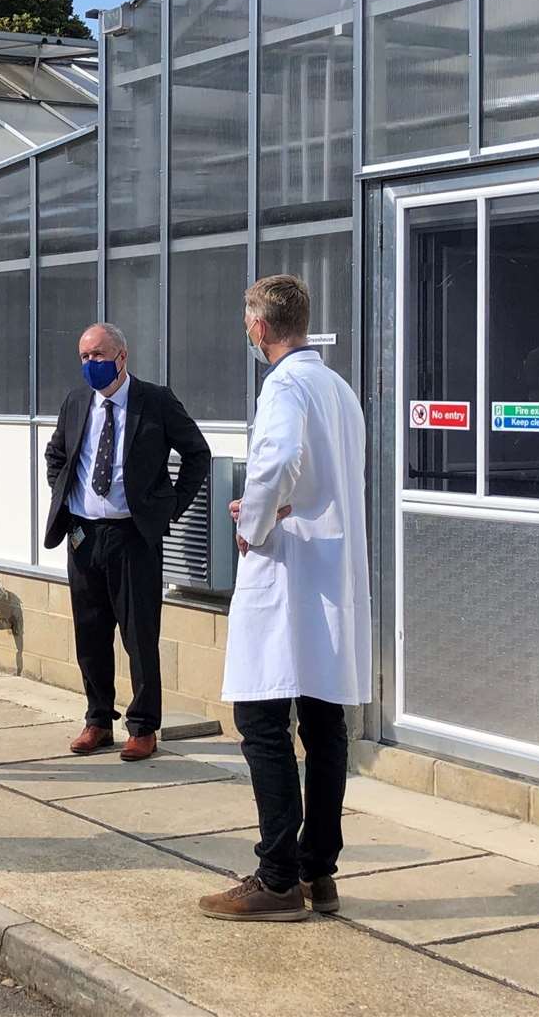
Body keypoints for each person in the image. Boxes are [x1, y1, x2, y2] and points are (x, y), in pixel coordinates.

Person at [199, 275, 371, 923]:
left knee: (262, 721)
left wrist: (253, 523)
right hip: (331, 569)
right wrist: (282, 505)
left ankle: (276, 879)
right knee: (325, 724)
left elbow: (276, 461)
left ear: (261, 328)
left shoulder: (285, 384)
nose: (249, 334)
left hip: (289, 570)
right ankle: (318, 872)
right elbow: (319, 472)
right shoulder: (338, 389)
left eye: (249, 324)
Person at [44, 322, 211, 762]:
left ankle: (142, 726)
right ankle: (98, 720)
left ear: (122, 356)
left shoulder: (154, 401)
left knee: (139, 634)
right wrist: (64, 493)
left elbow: (197, 453)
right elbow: (57, 453)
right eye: (84, 357)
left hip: (133, 535)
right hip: (83, 534)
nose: (90, 365)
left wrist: (169, 506)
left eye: (98, 356)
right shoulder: (77, 401)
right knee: (90, 633)